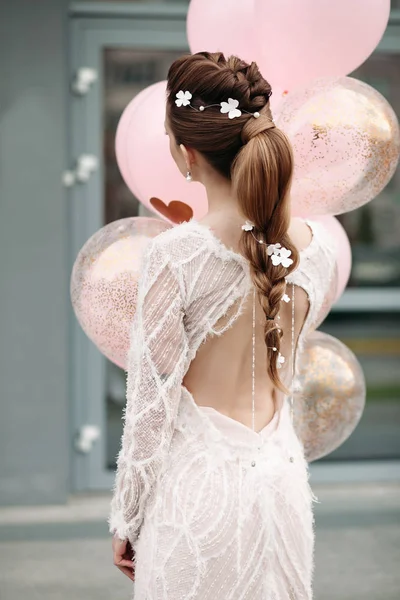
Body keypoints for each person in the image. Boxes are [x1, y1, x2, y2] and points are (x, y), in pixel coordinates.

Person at [109, 52, 337, 599]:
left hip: (197, 494)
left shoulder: (176, 255)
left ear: (187, 154)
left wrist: (128, 519)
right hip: (280, 488)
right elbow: (288, 367)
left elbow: (150, 404)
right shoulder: (317, 250)